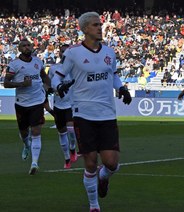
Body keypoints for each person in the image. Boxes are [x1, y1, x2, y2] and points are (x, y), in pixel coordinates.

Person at [52, 12, 132, 212]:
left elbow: (113, 74)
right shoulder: (73, 53)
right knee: (90, 162)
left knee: (111, 163)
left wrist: (121, 88)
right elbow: (57, 75)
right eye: (96, 25)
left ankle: (104, 177)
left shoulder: (110, 53)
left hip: (106, 112)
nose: (100, 28)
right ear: (85, 29)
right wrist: (58, 87)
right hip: (83, 113)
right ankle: (94, 206)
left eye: (100, 24)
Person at [4, 38, 52, 175]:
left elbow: (44, 76)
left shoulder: (38, 61)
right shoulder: (14, 65)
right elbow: (6, 83)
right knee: (24, 132)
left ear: (32, 47)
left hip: (37, 102)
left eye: (29, 45)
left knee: (36, 132)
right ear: (19, 49)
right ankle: (26, 144)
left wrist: (48, 86)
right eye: (24, 46)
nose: (27, 47)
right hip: (21, 103)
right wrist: (21, 85)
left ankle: (34, 163)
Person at [48, 44, 78, 169]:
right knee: (61, 133)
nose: (63, 54)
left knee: (71, 130)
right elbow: (49, 84)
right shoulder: (53, 69)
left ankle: (72, 148)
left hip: (70, 104)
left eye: (66, 52)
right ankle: (66, 158)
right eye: (62, 51)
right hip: (58, 105)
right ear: (59, 53)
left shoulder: (75, 69)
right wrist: (49, 89)